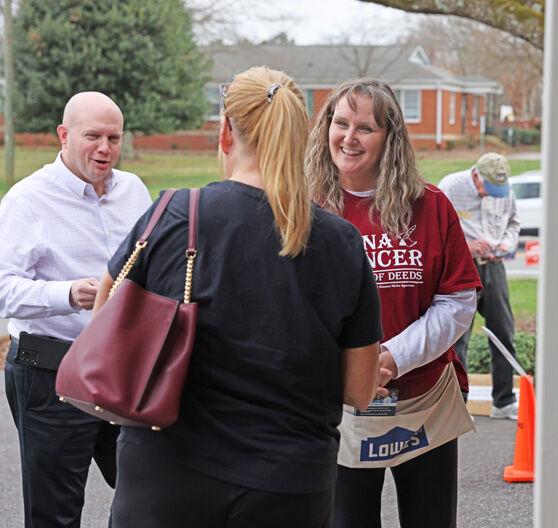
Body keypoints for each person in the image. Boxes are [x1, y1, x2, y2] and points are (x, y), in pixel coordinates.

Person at [97, 66, 383, 528]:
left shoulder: (174, 213)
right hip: (290, 481)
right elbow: (358, 390)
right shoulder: (341, 242)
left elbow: (104, 319)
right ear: (298, 137)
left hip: (167, 472)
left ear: (226, 132)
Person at [306, 78, 481, 528]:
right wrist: (354, 368)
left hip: (423, 397)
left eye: (365, 127)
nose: (348, 137)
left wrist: (390, 359)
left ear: (391, 138)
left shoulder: (431, 205)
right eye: (339, 123)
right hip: (338, 406)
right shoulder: (304, 208)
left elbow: (457, 302)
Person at [0, 92, 152, 527]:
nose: (105, 148)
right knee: (55, 513)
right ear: (64, 136)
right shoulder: (27, 200)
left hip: (124, 368)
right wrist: (67, 293)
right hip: (51, 371)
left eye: (113, 137)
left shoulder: (134, 190)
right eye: (93, 137)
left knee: (148, 497)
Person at [437, 153, 521, 420]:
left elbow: (513, 223)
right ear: (476, 176)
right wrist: (467, 246)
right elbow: (435, 228)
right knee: (459, 337)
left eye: (499, 190)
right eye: (490, 189)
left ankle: (504, 401)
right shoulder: (451, 187)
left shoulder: (505, 192)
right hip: (463, 267)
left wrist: (506, 245)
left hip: (493, 266)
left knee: (504, 332)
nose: (495, 195)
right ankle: (457, 404)